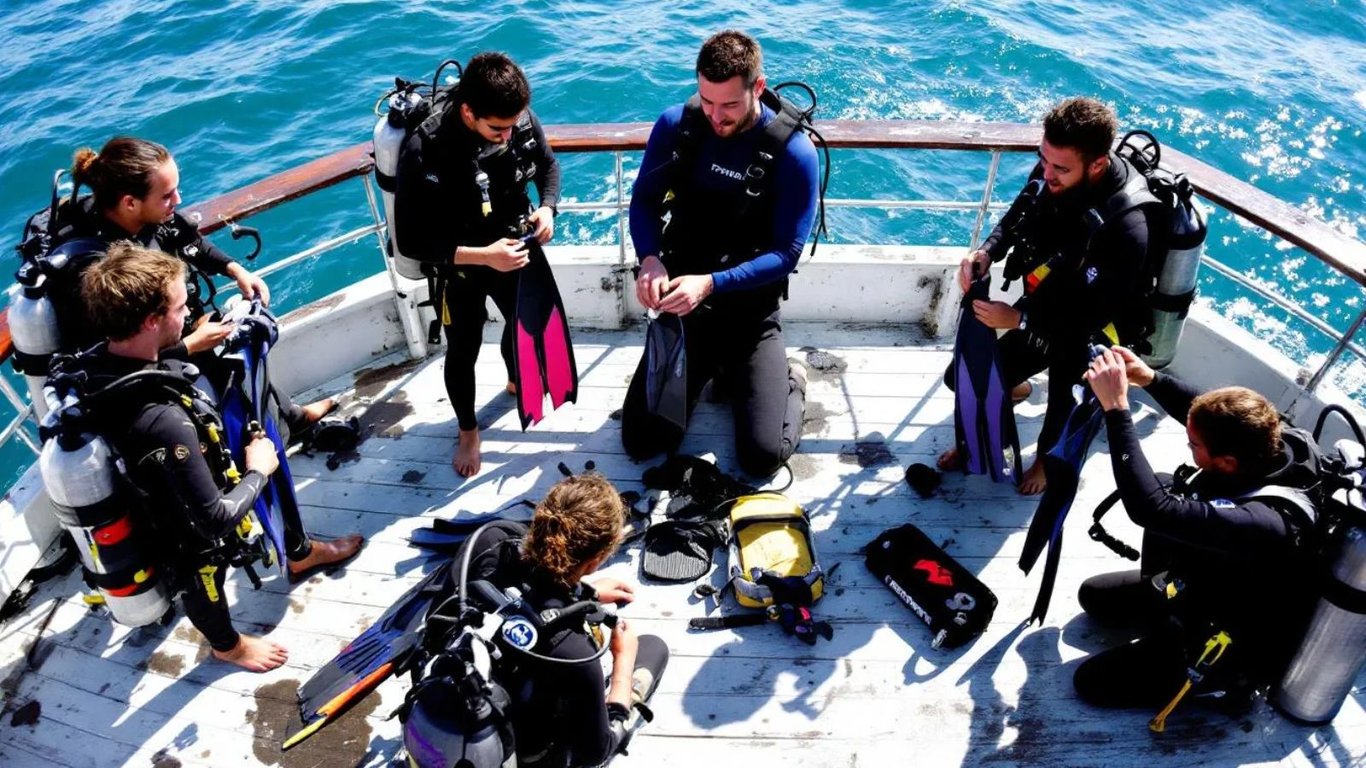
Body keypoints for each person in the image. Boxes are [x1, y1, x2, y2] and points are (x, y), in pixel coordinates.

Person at [74, 243, 363, 671]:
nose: (188, 311)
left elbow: (147, 369)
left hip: (157, 484)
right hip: (182, 522)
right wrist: (257, 471)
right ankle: (227, 645)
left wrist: (184, 346)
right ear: (152, 321)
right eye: (180, 306)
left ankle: (295, 559)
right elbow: (213, 519)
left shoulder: (104, 364)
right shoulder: (161, 420)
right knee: (204, 576)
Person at [1072, 346, 1320, 711]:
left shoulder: (1265, 523)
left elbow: (1152, 510)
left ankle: (1214, 685)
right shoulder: (1277, 440)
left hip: (1224, 633)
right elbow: (1206, 416)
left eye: (1194, 445)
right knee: (1092, 597)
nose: (1189, 446)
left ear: (1228, 462)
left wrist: (1117, 410)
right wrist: (1151, 378)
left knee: (1090, 684)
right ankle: (1168, 611)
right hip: (1209, 577)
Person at [938, 97, 1160, 494]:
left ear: (1097, 163)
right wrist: (988, 251)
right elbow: (1019, 213)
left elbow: (1091, 321)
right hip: (1044, 307)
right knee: (963, 378)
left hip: (1093, 331)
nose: (1047, 173)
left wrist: (1019, 320)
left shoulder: (1128, 227)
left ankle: (1045, 458)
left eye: (1060, 167)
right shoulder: (1050, 170)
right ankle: (1017, 388)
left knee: (1063, 396)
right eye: (1043, 159)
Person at [623, 29, 818, 476]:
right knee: (643, 442)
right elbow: (645, 200)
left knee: (762, 457)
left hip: (751, 317)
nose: (716, 116)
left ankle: (791, 379)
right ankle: (709, 374)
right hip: (685, 311)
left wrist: (711, 283)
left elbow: (787, 253)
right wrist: (649, 258)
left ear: (759, 88)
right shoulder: (678, 126)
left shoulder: (793, 153)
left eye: (729, 104)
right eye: (707, 101)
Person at [58, 136, 333, 431]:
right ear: (130, 203)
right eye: (166, 195)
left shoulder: (148, 217)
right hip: (140, 375)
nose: (177, 200)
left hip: (177, 331)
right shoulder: (97, 272)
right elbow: (110, 360)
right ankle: (260, 444)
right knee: (223, 376)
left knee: (240, 356)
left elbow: (190, 242)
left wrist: (234, 269)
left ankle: (290, 417)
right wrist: (188, 346)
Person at [394, 52, 562, 477]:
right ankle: (468, 430)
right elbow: (412, 240)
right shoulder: (425, 146)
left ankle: (513, 379)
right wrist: (485, 257)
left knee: (523, 326)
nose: (507, 136)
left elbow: (548, 165)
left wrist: (547, 208)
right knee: (463, 349)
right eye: (496, 129)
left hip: (515, 246)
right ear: (468, 112)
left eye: (513, 125)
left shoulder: (518, 119)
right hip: (461, 267)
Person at [459, 473, 668, 767]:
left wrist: (587, 592)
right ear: (595, 561)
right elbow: (596, 751)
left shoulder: (488, 542)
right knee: (653, 648)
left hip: (458, 699)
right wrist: (622, 664)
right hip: (520, 748)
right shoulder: (574, 652)